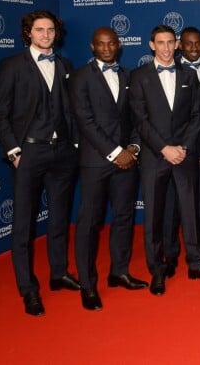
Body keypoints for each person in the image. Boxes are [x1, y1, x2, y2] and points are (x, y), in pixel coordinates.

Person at [0, 10, 80, 316]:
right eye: (39, 30)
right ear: (28, 32)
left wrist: (75, 145)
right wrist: (14, 152)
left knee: (59, 217)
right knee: (24, 224)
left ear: (57, 33)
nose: (46, 35)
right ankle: (28, 288)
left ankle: (58, 273)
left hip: (62, 153)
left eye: (51, 30)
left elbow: (69, 111)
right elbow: (0, 115)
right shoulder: (12, 65)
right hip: (28, 153)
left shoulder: (65, 65)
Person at [130, 25, 200, 296]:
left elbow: (197, 115)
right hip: (154, 156)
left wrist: (181, 146)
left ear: (177, 44)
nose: (167, 48)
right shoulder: (138, 76)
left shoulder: (188, 75)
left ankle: (195, 263)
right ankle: (157, 269)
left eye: (171, 42)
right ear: (151, 45)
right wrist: (163, 148)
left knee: (190, 210)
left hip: (184, 153)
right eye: (161, 43)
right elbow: (140, 119)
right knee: (155, 216)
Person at [70, 27, 148, 311]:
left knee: (124, 217)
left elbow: (139, 117)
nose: (107, 48)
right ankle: (88, 285)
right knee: (89, 222)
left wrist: (134, 149)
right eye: (101, 44)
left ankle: (119, 271)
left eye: (111, 43)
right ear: (93, 47)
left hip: (128, 159)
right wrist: (116, 153)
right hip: (96, 161)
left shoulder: (130, 76)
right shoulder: (79, 77)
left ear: (119, 44)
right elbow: (85, 121)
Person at [163, 27, 200, 275]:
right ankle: (171, 253)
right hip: (178, 150)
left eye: (198, 43)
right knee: (173, 205)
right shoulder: (169, 70)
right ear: (180, 45)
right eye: (188, 44)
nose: (194, 48)